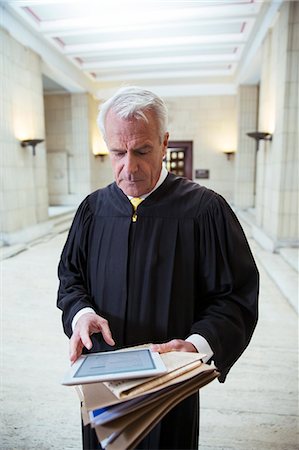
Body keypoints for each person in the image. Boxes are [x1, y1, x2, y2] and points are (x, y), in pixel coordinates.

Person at [57, 86, 259, 450]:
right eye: (117, 152)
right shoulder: (93, 210)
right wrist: (81, 313)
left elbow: (235, 298)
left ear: (165, 143)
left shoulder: (204, 211)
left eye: (142, 151)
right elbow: (71, 278)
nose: (129, 167)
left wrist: (197, 346)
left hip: (170, 382)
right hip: (103, 378)